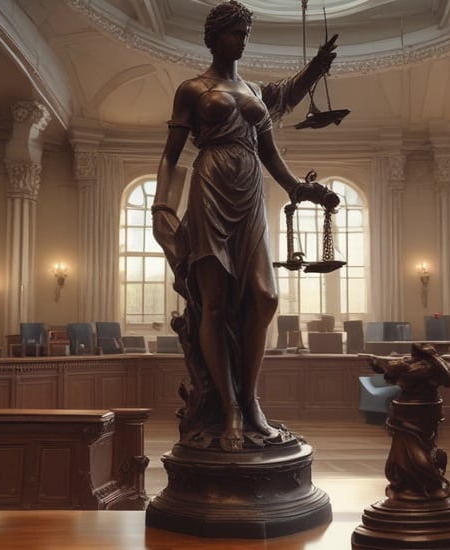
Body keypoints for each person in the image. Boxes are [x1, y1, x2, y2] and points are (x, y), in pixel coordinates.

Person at [152, 1, 340, 451]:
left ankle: (251, 401)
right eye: (236, 32)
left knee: (265, 296)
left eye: (245, 32)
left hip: (251, 192)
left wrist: (302, 190)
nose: (243, 39)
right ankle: (230, 408)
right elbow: (170, 154)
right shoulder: (192, 88)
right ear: (215, 37)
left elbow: (272, 152)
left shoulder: (255, 90)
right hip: (211, 185)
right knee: (213, 304)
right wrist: (162, 205)